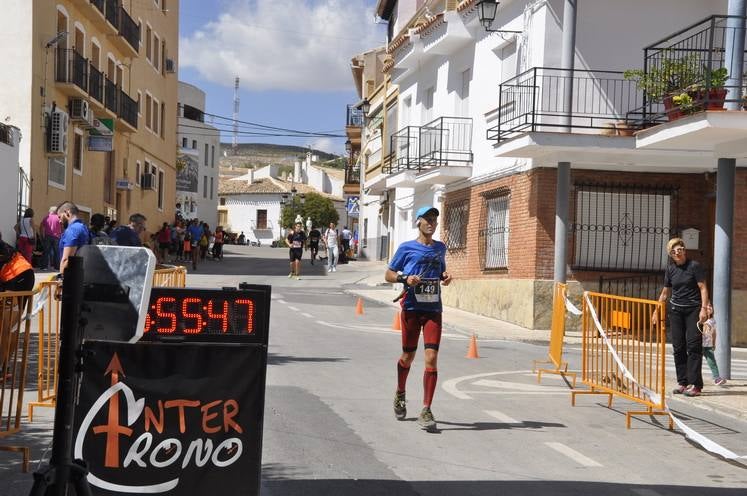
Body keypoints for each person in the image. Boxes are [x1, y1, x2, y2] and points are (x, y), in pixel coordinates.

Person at [384, 206, 451, 431]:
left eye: (434, 220)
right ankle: (400, 392)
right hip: (412, 307)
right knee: (408, 356)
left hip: (433, 309)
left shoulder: (440, 248)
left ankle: (426, 409)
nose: (431, 223)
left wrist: (445, 276)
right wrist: (405, 278)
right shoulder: (406, 248)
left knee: (431, 358)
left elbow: (441, 271)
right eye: (427, 219)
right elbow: (389, 274)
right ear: (418, 223)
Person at [653, 238, 710, 398]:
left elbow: (703, 288)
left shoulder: (694, 266)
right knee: (678, 347)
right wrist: (656, 311)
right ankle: (683, 382)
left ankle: (696, 385)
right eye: (673, 251)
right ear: (670, 254)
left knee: (693, 346)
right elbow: (665, 292)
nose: (677, 253)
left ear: (684, 250)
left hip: (693, 310)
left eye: (679, 249)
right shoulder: (671, 270)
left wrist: (703, 309)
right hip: (676, 311)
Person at [56, 202, 91, 274]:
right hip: (80, 274)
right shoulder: (83, 227)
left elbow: (66, 259)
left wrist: (61, 278)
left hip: (71, 276)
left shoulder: (72, 230)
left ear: (67, 212)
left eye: (59, 217)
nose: (59, 221)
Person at [701, 304, 727, 386]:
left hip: (707, 345)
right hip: (698, 344)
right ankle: (690, 380)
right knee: (694, 362)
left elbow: (714, 333)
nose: (709, 308)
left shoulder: (712, 320)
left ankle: (717, 378)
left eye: (710, 306)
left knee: (712, 362)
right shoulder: (700, 318)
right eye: (707, 307)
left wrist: (714, 344)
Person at [39, 206, 62, 270]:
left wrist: (42, 235)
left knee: (46, 252)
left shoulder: (46, 218)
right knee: (57, 252)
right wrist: (61, 233)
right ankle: (57, 267)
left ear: (50, 211)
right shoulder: (58, 218)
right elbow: (62, 226)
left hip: (47, 236)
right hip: (57, 237)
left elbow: (41, 227)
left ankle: (44, 267)